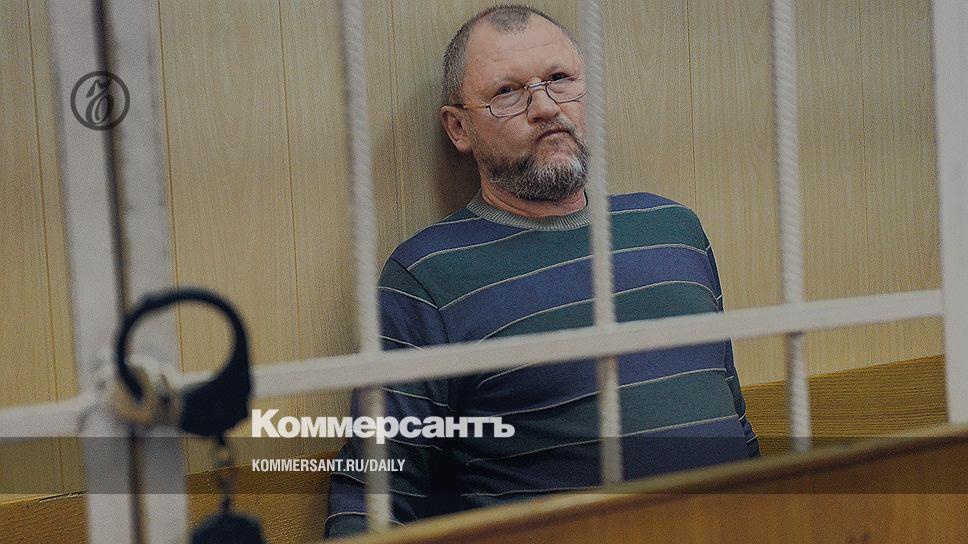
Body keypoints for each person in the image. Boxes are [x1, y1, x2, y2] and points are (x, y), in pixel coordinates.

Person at [325, 4, 759, 537]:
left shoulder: (673, 230)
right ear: (459, 128)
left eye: (560, 80)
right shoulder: (428, 276)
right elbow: (375, 489)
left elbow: (736, 424)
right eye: (508, 92)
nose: (546, 108)